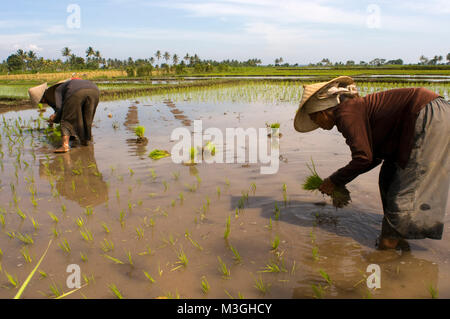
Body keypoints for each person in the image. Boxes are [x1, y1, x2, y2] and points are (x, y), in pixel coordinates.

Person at [294, 76, 449, 250]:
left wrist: (334, 181)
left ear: (322, 112)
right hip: (426, 114)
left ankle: (386, 249)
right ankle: (398, 236)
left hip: (426, 116)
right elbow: (372, 158)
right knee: (388, 178)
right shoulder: (351, 110)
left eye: (315, 120)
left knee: (403, 190)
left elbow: (363, 158)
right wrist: (339, 183)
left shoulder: (345, 113)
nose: (318, 126)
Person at [28, 78, 100, 153]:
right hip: (94, 90)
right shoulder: (61, 89)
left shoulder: (56, 92)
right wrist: (53, 121)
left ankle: (65, 146)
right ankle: (86, 141)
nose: (43, 103)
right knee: (87, 118)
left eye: (41, 101)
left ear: (42, 99)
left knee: (66, 119)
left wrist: (54, 118)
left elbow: (61, 111)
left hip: (76, 92)